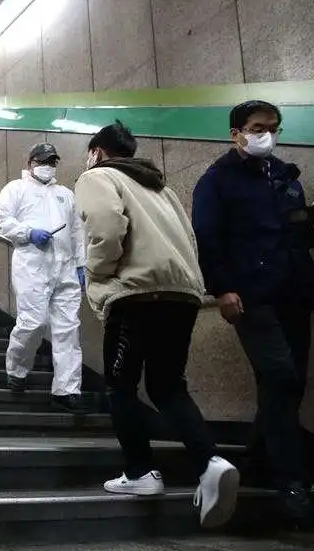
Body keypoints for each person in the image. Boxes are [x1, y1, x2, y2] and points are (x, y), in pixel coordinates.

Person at [75, 121, 239, 528]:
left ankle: (140, 472)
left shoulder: (97, 176)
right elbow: (190, 238)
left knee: (119, 384)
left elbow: (107, 226)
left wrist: (96, 272)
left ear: (97, 151)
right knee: (167, 385)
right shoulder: (160, 187)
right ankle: (210, 461)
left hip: (136, 295)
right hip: (180, 295)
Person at [192, 100, 314, 523]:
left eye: (274, 127)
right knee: (281, 376)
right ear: (236, 133)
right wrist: (223, 288)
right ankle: (291, 479)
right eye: (258, 127)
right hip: (250, 295)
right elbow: (208, 238)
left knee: (288, 382)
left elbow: (296, 231)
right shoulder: (217, 180)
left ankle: (257, 459)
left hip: (295, 292)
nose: (267, 134)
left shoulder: (283, 175)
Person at [0, 143, 87, 413]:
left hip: (66, 267)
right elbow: (1, 221)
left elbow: (76, 232)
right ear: (31, 161)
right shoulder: (15, 189)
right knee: (33, 322)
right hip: (32, 265)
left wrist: (81, 265)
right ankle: (17, 370)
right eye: (43, 160)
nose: (48, 165)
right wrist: (28, 231)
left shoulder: (65, 194)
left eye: (53, 161)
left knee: (68, 329)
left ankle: (67, 389)